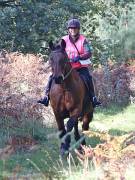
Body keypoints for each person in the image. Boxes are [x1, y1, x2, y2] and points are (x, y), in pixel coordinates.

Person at [38, 18, 101, 108]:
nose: (73, 30)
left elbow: (88, 53)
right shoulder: (64, 39)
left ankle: (93, 98)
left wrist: (79, 57)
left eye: (75, 28)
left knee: (88, 78)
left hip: (80, 67)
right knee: (52, 77)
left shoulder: (83, 40)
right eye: (71, 28)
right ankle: (46, 97)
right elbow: (58, 50)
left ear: (78, 29)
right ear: (68, 30)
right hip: (66, 68)